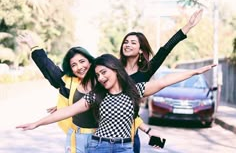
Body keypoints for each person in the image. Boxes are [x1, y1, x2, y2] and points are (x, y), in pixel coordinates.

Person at [16, 54, 216, 153]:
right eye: (97, 75)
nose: (101, 78)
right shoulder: (95, 96)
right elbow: (67, 111)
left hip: (125, 148)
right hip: (99, 146)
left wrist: (195, 72)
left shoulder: (135, 90)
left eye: (104, 72)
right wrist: (37, 123)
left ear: (115, 70)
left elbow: (164, 82)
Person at [120, 9, 203, 153]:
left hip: (130, 134)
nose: (127, 44)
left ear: (141, 50)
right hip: (106, 135)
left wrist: (188, 26)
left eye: (133, 42)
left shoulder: (145, 71)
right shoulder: (114, 69)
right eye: (125, 42)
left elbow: (166, 49)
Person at [18, 34, 97, 153]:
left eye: (82, 61)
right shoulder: (67, 82)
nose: (79, 67)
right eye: (74, 65)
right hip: (76, 137)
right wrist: (32, 45)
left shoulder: (103, 80)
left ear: (90, 62)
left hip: (101, 138)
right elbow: (47, 66)